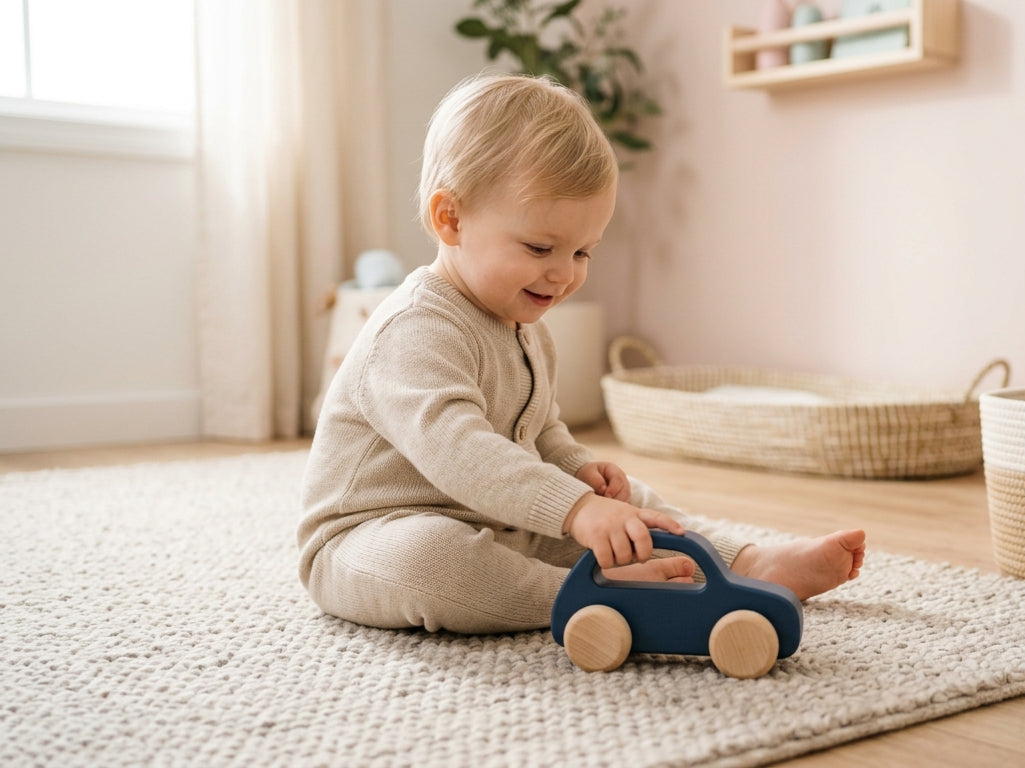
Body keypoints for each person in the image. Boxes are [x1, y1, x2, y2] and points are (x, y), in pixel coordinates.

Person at [298, 73, 866, 635]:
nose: (563, 274)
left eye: (582, 252)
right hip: (370, 538)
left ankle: (738, 563)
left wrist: (579, 474)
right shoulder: (412, 330)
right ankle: (588, 596)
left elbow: (540, 432)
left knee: (630, 504)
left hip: (498, 517)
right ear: (451, 219)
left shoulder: (525, 327)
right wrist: (574, 508)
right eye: (540, 247)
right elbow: (460, 451)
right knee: (436, 559)